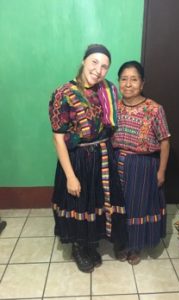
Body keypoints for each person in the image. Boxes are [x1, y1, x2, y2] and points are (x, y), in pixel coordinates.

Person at [49, 44, 127, 273]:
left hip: (102, 156)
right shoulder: (63, 93)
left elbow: (109, 127)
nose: (98, 69)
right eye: (94, 62)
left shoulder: (109, 90)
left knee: (97, 202)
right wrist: (70, 176)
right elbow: (58, 139)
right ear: (84, 61)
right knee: (79, 201)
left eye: (105, 66)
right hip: (77, 160)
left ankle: (90, 243)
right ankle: (78, 247)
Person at [112, 61, 170, 265]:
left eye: (134, 79)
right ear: (119, 82)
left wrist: (161, 171)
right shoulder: (113, 107)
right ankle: (120, 242)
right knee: (119, 206)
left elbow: (164, 141)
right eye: (124, 79)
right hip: (116, 162)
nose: (128, 84)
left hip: (143, 167)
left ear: (142, 83)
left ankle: (135, 246)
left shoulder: (155, 109)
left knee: (138, 207)